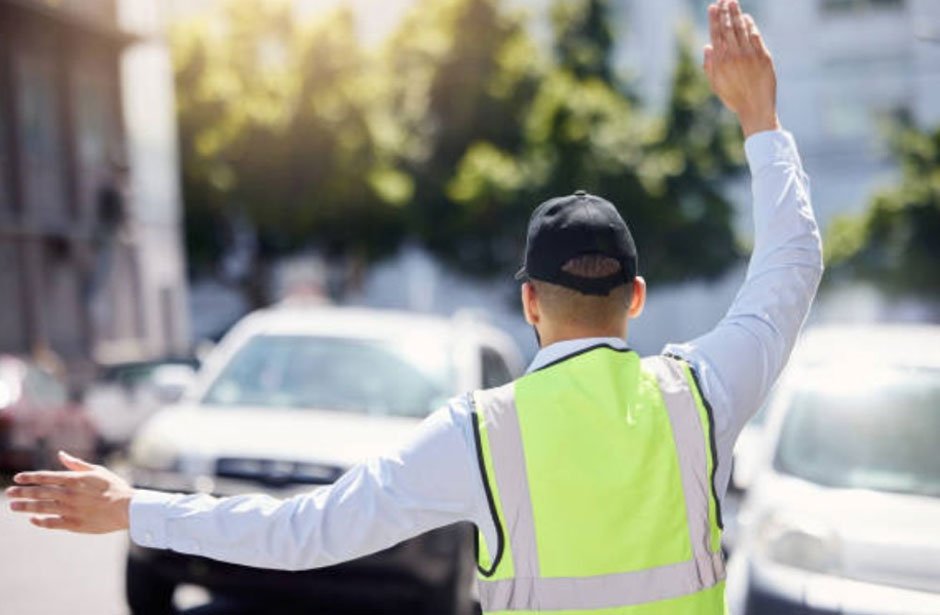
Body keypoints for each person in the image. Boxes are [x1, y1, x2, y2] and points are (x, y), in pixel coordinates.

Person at [7, 2, 822, 613]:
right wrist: (761, 120)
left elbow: (304, 532)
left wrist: (134, 508)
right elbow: (792, 266)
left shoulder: (482, 432)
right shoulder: (701, 395)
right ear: (636, 297)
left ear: (529, 300)